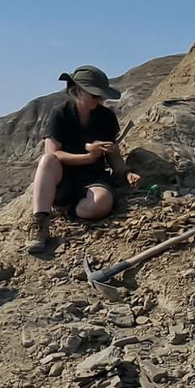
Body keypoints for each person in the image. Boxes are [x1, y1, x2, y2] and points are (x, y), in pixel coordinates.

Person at [24, 65, 124, 255]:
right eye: (95, 96)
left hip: (94, 177)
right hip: (64, 177)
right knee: (47, 161)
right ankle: (40, 222)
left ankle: (69, 211)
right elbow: (54, 153)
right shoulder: (60, 114)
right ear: (78, 91)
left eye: (101, 96)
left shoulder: (106, 117)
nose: (99, 100)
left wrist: (125, 172)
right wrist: (88, 156)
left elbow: (112, 151)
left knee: (99, 205)